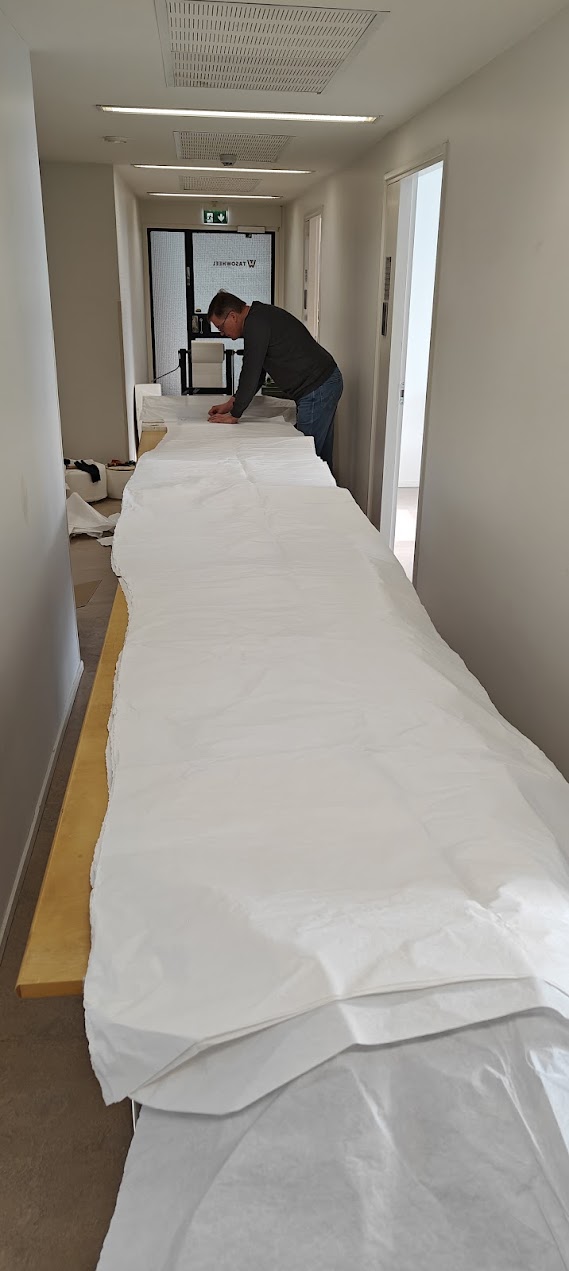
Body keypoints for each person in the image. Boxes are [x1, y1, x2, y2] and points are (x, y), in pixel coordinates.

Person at [206, 291, 343, 470]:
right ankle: (326, 494)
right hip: (323, 382)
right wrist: (232, 404)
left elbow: (251, 371)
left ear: (233, 316)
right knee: (318, 456)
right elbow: (258, 374)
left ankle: (311, 494)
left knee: (306, 457)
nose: (222, 333)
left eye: (221, 327)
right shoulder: (259, 318)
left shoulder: (256, 324)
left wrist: (235, 415)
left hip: (317, 388)